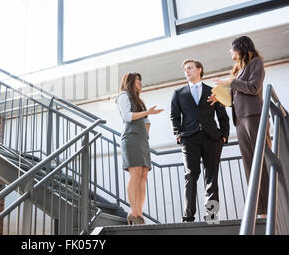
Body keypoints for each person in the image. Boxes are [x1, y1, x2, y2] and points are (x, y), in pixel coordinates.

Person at [210, 36, 270, 217]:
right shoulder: (238, 70)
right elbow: (235, 94)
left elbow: (253, 88)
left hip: (254, 115)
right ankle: (260, 210)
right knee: (249, 163)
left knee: (262, 160)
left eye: (232, 49)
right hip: (240, 119)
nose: (230, 52)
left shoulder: (256, 63)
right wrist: (219, 96)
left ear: (241, 48)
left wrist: (231, 82)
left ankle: (270, 206)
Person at [170, 59, 229, 222]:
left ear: (199, 69)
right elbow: (174, 116)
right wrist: (178, 134)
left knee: (211, 177)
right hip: (189, 139)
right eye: (185, 70)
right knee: (191, 175)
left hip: (212, 138)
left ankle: (212, 215)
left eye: (189, 68)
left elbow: (222, 115)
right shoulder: (178, 93)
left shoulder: (213, 91)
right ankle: (188, 216)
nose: (186, 71)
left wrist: (224, 135)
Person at [116, 72, 163, 225]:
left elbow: (146, 121)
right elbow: (127, 117)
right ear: (130, 82)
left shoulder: (139, 101)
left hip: (142, 140)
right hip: (130, 138)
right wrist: (147, 112)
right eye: (137, 81)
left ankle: (139, 214)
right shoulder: (124, 96)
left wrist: (146, 132)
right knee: (135, 173)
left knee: (143, 175)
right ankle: (133, 212)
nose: (140, 83)